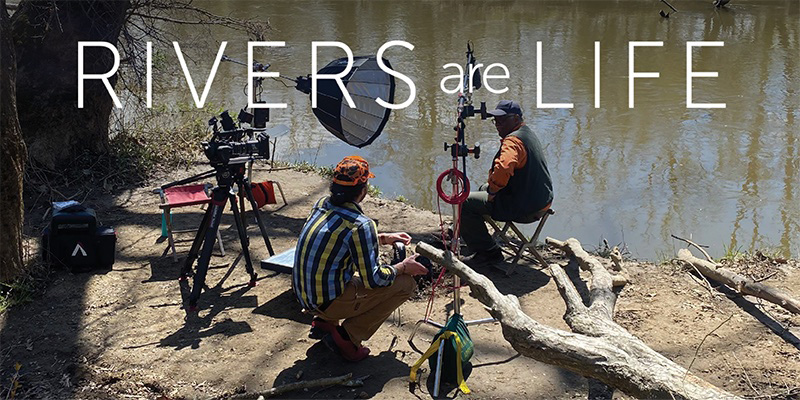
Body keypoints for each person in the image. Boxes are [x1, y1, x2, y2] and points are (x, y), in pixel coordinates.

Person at [292, 155, 429, 362]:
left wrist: (382, 238)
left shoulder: (322, 205)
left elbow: (339, 237)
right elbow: (374, 279)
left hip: (305, 295)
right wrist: (402, 267)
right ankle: (348, 338)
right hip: (327, 301)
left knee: (337, 270)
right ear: (363, 190)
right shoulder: (361, 224)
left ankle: (324, 322)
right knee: (405, 284)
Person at [460, 100, 553, 265]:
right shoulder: (528, 133)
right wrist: (491, 188)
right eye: (495, 120)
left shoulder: (512, 142)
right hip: (542, 200)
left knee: (464, 202)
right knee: (483, 188)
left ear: (516, 119)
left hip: (526, 208)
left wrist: (493, 192)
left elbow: (504, 167)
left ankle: (489, 252)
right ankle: (470, 232)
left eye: (502, 120)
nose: (497, 124)